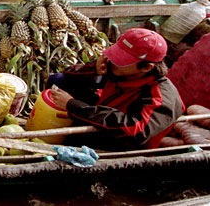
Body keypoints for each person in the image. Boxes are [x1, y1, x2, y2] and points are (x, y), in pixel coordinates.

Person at [48, 28, 184, 151]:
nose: (112, 61)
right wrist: (93, 70)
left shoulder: (161, 97)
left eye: (121, 60)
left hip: (121, 145)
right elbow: (67, 76)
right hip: (101, 117)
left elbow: (134, 131)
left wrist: (74, 106)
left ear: (146, 68)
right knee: (59, 80)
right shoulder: (119, 70)